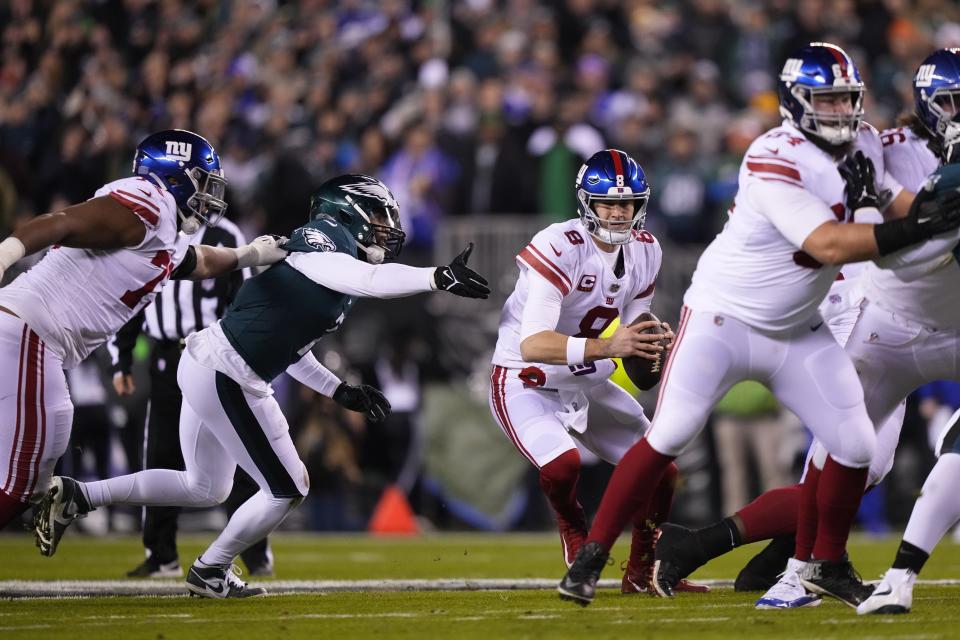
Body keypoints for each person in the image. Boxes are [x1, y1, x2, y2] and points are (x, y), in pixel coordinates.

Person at [557, 43, 960, 608]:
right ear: (796, 103)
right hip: (733, 315)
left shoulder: (865, 142)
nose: (841, 111)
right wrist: (927, 221)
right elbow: (830, 242)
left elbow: (877, 216)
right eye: (826, 100)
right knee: (670, 434)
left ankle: (817, 563)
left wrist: (919, 217)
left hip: (801, 320)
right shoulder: (775, 154)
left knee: (854, 448)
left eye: (847, 99)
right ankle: (593, 559)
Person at [33, 174, 490, 599]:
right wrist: (436, 276)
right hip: (225, 370)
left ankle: (80, 494)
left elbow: (293, 348)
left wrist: (338, 391)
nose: (386, 228)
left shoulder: (340, 264)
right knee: (287, 487)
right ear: (347, 212)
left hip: (216, 364)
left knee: (205, 487)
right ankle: (212, 569)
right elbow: (368, 280)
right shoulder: (323, 239)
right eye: (377, 216)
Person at [0, 129, 286, 530]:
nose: (209, 195)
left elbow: (199, 262)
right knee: (28, 475)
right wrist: (5, 254)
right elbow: (61, 221)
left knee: (28, 470)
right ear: (173, 176)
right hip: (30, 329)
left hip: (30, 333)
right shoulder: (149, 203)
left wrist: (247, 254)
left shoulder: (161, 226)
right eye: (202, 182)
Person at [490, 148, 708, 595]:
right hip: (524, 379)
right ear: (586, 203)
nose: (617, 213)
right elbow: (534, 344)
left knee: (661, 468)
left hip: (585, 378)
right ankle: (573, 526)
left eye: (626, 204)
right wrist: (614, 344)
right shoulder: (559, 245)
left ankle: (643, 567)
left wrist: (648, 344)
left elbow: (631, 330)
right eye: (607, 203)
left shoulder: (647, 250)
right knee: (564, 466)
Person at [108, 213, 273, 579]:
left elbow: (245, 300)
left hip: (214, 359)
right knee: (161, 455)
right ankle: (161, 554)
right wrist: (121, 361)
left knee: (240, 457)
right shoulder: (151, 233)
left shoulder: (226, 233)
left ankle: (255, 552)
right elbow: (135, 300)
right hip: (166, 360)